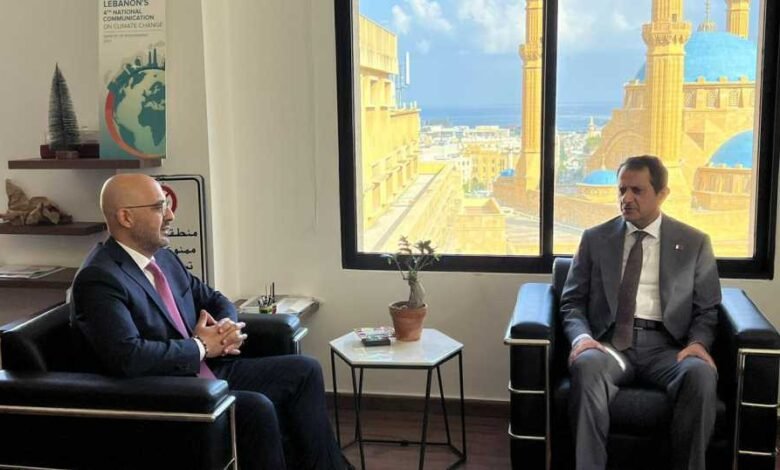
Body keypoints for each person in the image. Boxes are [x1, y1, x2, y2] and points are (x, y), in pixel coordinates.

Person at [70, 173, 351, 470]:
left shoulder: (163, 258)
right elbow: (127, 356)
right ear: (126, 217)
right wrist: (201, 346)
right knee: (256, 407)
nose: (171, 215)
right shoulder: (99, 278)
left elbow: (214, 299)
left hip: (204, 371)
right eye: (159, 207)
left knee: (305, 370)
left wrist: (226, 327)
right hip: (163, 390)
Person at [560, 155, 721, 470]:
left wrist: (698, 343)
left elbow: (707, 308)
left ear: (662, 194)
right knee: (586, 365)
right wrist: (581, 338)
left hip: (667, 348)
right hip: (609, 344)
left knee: (700, 374)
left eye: (637, 190)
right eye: (622, 190)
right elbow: (572, 301)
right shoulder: (595, 239)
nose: (626, 198)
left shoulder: (694, 242)